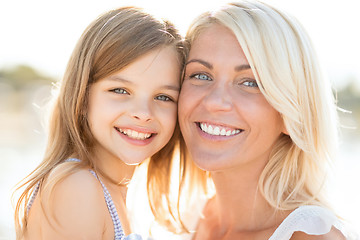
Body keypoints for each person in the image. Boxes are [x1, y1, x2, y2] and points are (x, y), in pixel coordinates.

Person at [176, 0, 357, 239]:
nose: (214, 101)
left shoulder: (311, 236)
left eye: (250, 82)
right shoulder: (183, 218)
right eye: (201, 75)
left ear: (290, 114)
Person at [14, 7, 184, 240]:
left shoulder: (124, 194)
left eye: (163, 97)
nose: (144, 114)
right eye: (120, 90)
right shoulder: (76, 188)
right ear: (83, 97)